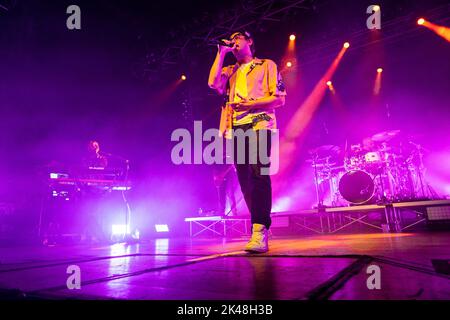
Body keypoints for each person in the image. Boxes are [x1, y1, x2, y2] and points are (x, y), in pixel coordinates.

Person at [208, 31, 286, 252]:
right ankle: (260, 224)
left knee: (259, 174)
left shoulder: (266, 65)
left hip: (260, 123)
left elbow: (279, 99)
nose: (234, 40)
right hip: (236, 129)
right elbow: (213, 83)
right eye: (231, 38)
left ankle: (259, 229)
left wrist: (251, 105)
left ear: (250, 41)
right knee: (244, 181)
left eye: (238, 37)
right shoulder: (229, 70)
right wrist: (221, 53)